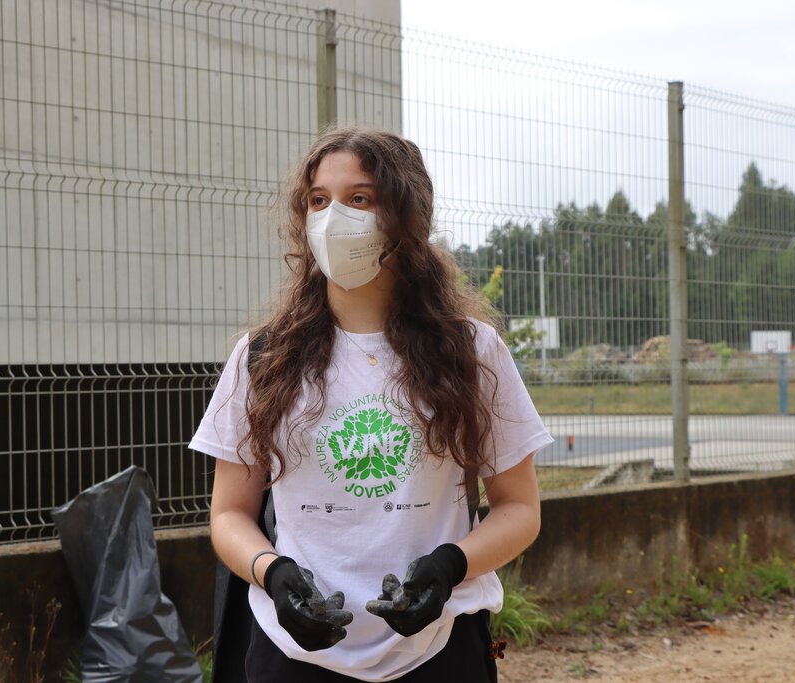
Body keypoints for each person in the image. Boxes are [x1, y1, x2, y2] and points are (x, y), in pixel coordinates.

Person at [190, 127, 552, 682]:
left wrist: (449, 567)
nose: (334, 217)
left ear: (406, 217)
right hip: (292, 652)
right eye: (319, 200)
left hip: (437, 648)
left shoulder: (472, 352)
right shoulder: (262, 356)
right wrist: (274, 573)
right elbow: (229, 514)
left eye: (359, 198)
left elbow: (520, 510)